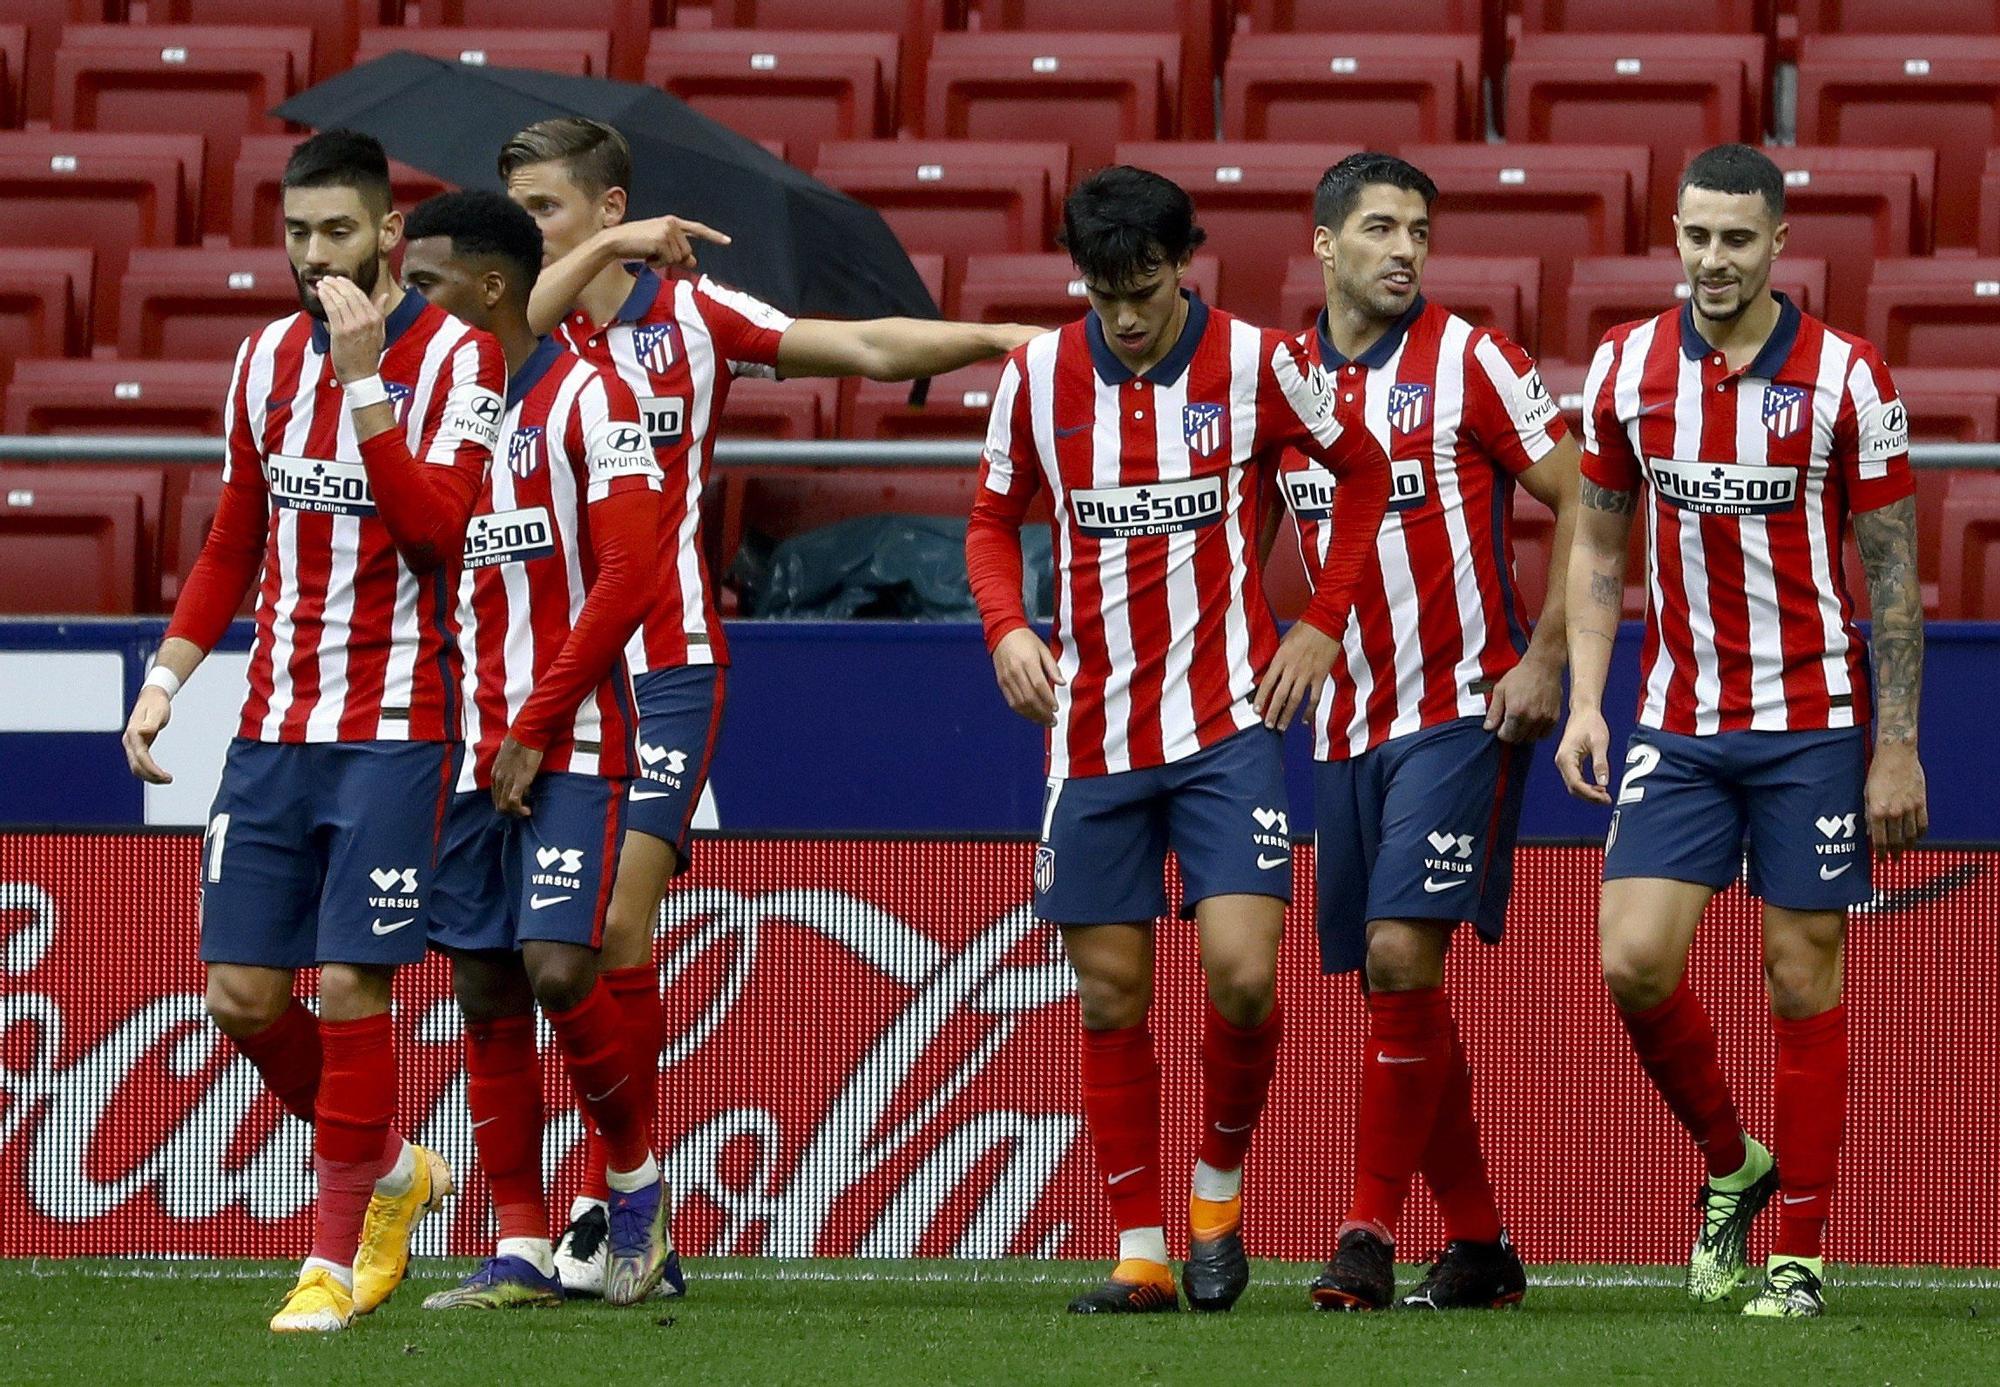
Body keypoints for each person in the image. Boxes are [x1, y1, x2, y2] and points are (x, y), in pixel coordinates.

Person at [496, 115, 1041, 1292]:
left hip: (667, 662)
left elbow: (861, 347)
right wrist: (600, 251)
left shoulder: (692, 320)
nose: (528, 232)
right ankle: (566, 1220)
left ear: (608, 203)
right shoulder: (506, 331)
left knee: (615, 932)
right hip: (536, 672)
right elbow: (521, 322)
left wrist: (990, 334)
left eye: (548, 208)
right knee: (535, 955)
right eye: (520, 211)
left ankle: (611, 1207)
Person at [967, 165, 1389, 1315]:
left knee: (1243, 978)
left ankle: (1216, 1191)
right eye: (1105, 294)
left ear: (1183, 262)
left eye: (1145, 286)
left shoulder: (1255, 363)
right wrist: (1006, 627)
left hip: (1224, 728)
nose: (1128, 313)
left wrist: (1315, 620)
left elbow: (1362, 475)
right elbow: (990, 521)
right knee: (1109, 998)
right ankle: (1144, 1248)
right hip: (1091, 733)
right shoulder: (1035, 376)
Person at [119, 130, 506, 1332]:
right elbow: (236, 536)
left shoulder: (462, 359)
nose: (311, 255)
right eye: (295, 233)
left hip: (398, 726)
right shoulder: (259, 362)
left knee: (348, 984)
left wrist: (364, 385)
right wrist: (169, 675)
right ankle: (395, 1166)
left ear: (391, 234)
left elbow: (438, 531)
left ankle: (334, 1262)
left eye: (336, 231)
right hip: (275, 726)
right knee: (240, 992)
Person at [1555, 143, 1928, 1319]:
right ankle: (1733, 1163)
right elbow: (1599, 545)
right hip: (1677, 714)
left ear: (1776, 244)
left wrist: (1896, 741)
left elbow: (1894, 577)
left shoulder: (1845, 379)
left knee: (1796, 974)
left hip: (1810, 720)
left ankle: (1800, 1260)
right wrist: (1582, 699)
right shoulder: (1622, 368)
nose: (1712, 259)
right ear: (1673, 236)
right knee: (1630, 959)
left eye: (1734, 238)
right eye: (1694, 236)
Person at [1275, 153, 1580, 1312]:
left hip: (1462, 707)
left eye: (1417, 231)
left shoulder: (1473, 361)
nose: (1403, 249)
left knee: (1403, 956)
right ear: (1323, 245)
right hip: (1341, 721)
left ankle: (1363, 1231)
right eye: (1380, 229)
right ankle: (1481, 1241)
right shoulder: (1284, 377)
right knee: (1389, 988)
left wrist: (1546, 657)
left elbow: (1591, 503)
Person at [390, 189, 677, 1311]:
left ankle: (638, 1194)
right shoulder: (439, 418)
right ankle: (515, 1239)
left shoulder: (593, 398)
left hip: (574, 735)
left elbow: (627, 577)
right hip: (465, 746)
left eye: (426, 284)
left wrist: (533, 723)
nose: (409, 304)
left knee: (563, 964)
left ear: (492, 287)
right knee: (481, 980)